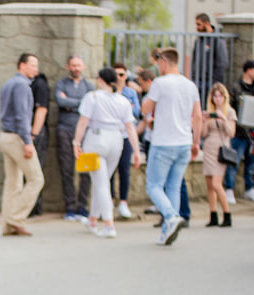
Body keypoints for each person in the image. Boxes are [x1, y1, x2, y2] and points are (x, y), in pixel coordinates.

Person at [140, 47, 201, 246]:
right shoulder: (190, 85)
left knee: (154, 185)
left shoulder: (160, 83)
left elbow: (145, 109)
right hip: (184, 142)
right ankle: (168, 230)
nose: (158, 68)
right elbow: (198, 116)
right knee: (173, 186)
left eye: (159, 64)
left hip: (163, 142)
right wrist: (196, 142)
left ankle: (170, 216)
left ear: (164, 62)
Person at [72, 68, 141, 239]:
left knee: (101, 183)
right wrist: (137, 151)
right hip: (116, 141)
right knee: (101, 181)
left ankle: (109, 225)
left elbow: (83, 122)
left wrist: (76, 142)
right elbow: (130, 128)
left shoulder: (93, 97)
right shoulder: (123, 100)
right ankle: (93, 220)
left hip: (97, 139)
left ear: (101, 80)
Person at [0, 53, 45, 237]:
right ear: (22, 65)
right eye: (33, 65)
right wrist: (27, 141)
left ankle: (8, 225)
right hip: (17, 137)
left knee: (13, 183)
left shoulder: (9, 83)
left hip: (5, 136)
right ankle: (15, 219)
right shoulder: (21, 85)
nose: (36, 69)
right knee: (36, 179)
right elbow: (22, 116)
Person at [56, 55, 93, 221]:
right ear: (68, 66)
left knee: (85, 170)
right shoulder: (61, 84)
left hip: (85, 133)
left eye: (78, 65)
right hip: (65, 130)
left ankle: (82, 206)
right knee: (67, 169)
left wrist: (69, 102)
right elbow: (60, 101)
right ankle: (70, 206)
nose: (76, 68)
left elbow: (91, 105)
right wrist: (81, 103)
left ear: (83, 66)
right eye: (73, 65)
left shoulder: (89, 86)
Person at [225, 59, 254, 203]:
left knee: (252, 162)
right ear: (248, 70)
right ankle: (229, 189)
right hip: (240, 133)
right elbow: (229, 107)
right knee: (233, 161)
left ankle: (250, 188)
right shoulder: (235, 88)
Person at [201, 83, 236, 227]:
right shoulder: (210, 112)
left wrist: (223, 118)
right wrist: (204, 120)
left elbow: (231, 133)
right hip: (209, 147)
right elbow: (204, 134)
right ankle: (213, 214)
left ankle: (227, 214)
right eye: (215, 96)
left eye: (220, 96)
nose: (217, 99)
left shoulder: (230, 112)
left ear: (224, 97)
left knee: (217, 183)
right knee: (209, 184)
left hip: (221, 149)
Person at [109, 63, 140, 220]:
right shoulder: (108, 92)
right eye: (116, 74)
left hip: (126, 137)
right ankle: (109, 202)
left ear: (126, 76)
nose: (119, 78)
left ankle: (123, 203)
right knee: (109, 172)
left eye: (122, 74)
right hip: (111, 136)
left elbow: (136, 112)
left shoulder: (130, 92)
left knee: (124, 170)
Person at [192, 13, 228, 102]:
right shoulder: (199, 40)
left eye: (199, 24)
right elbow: (194, 60)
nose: (197, 27)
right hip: (198, 81)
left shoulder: (217, 39)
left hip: (210, 81)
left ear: (207, 23)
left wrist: (214, 81)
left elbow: (222, 62)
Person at [29, 70, 50, 216]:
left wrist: (34, 134)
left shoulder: (40, 84)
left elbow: (41, 109)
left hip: (36, 133)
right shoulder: (31, 84)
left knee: (35, 171)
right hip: (33, 133)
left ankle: (35, 207)